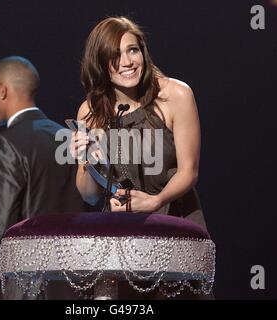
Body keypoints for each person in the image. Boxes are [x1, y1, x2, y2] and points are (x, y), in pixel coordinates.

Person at [69, 17, 210, 299]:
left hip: (173, 221)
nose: (127, 62)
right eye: (114, 56)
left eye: (133, 50)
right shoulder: (89, 110)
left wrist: (156, 201)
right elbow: (88, 194)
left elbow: (189, 171)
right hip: (120, 236)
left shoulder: (176, 95)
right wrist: (84, 159)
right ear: (99, 62)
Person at [0, 56, 85, 299]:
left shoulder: (4, 144)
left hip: (24, 283)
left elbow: (0, 221)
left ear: (3, 91)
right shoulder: (68, 137)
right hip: (70, 283)